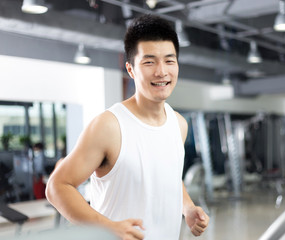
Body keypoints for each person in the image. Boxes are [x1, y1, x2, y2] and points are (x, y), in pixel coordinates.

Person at [46, 14, 209, 239]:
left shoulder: (179, 124)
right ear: (131, 69)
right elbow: (57, 187)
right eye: (149, 62)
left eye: (169, 60)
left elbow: (168, 175)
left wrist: (188, 207)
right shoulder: (109, 126)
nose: (161, 71)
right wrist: (108, 227)